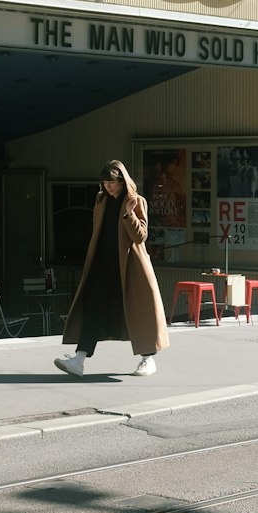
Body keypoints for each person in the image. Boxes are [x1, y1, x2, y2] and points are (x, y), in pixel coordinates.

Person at [54, 158, 169, 378]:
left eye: (112, 181)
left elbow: (140, 236)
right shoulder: (101, 202)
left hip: (130, 268)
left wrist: (129, 214)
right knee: (93, 308)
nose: (108, 185)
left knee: (137, 312)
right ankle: (79, 359)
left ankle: (148, 359)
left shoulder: (136, 201)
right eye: (105, 181)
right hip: (102, 266)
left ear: (122, 180)